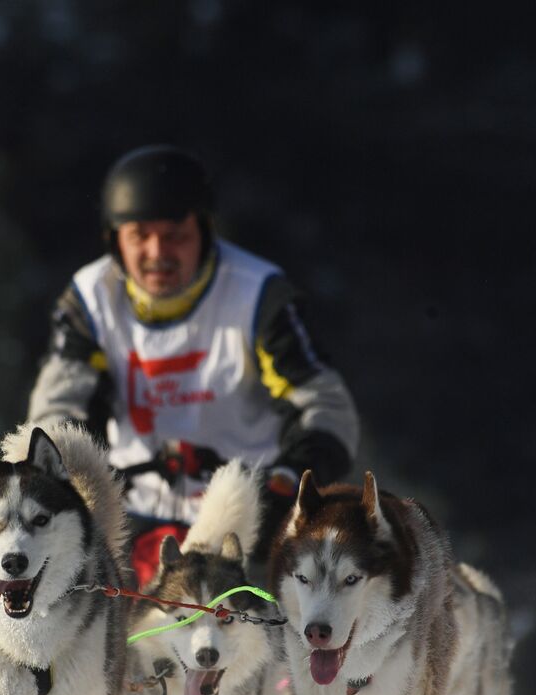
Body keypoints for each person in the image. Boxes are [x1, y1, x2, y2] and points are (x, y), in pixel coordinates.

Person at [26, 145, 360, 580]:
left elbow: (328, 410)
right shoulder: (91, 300)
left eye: (175, 235)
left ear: (204, 231)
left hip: (247, 518)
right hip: (131, 517)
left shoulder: (258, 293)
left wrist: (290, 478)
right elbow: (56, 413)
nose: (157, 252)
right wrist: (71, 478)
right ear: (114, 240)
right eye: (139, 235)